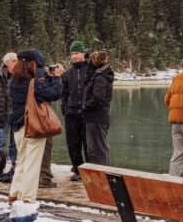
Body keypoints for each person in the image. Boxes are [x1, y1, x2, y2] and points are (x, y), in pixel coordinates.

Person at [8, 50, 63, 208]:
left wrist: (47, 78)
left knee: (21, 161)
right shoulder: (36, 80)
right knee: (33, 163)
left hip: (17, 125)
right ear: (33, 63)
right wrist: (57, 78)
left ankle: (14, 193)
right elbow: (54, 94)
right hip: (33, 125)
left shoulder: (14, 80)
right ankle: (28, 198)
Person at [61, 41, 90, 182]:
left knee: (88, 143)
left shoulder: (91, 70)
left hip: (86, 113)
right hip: (71, 113)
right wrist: (65, 109)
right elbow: (64, 93)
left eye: (77, 53)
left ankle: (90, 170)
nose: (74, 56)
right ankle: (77, 169)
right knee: (73, 143)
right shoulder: (68, 73)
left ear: (83, 53)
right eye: (72, 53)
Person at [83, 50, 114, 166]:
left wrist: (85, 105)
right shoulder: (101, 75)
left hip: (97, 118)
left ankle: (103, 174)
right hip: (98, 117)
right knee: (99, 147)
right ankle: (102, 172)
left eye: (91, 60)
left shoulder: (100, 77)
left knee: (97, 148)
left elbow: (98, 98)